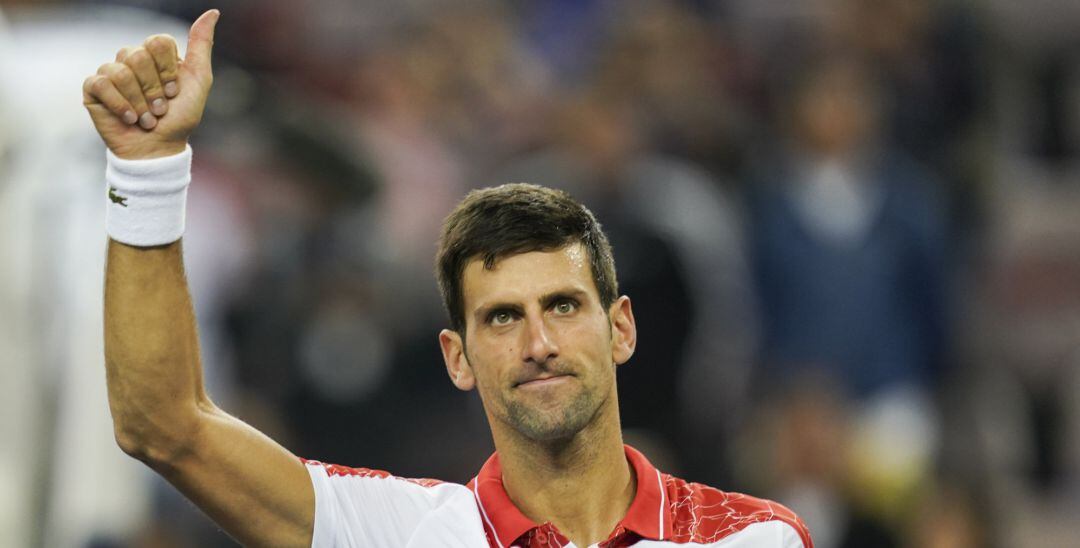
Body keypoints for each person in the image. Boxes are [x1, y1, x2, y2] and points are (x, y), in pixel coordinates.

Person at [83, 10, 813, 547]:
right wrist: (147, 169)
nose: (538, 342)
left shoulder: (755, 539)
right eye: (500, 317)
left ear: (620, 326)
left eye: (562, 305)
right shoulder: (399, 531)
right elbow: (163, 426)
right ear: (456, 357)